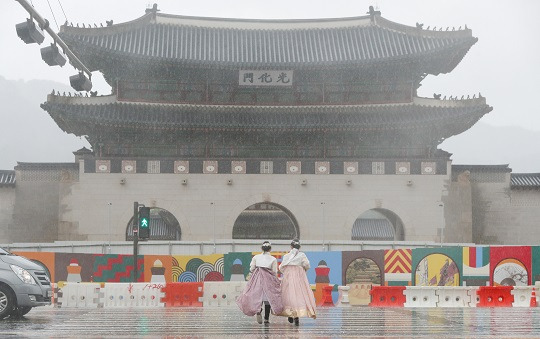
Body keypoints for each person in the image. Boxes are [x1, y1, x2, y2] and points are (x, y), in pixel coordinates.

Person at [236, 241, 283, 324]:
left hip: (257, 278)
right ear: (270, 249)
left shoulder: (256, 257)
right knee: (267, 298)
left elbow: (252, 268)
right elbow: (274, 271)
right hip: (268, 280)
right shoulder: (273, 259)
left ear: (261, 248)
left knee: (258, 296)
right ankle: (266, 318)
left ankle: (258, 310)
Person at [279, 238, 316, 326]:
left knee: (288, 295)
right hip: (299, 277)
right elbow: (307, 264)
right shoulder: (302, 255)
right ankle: (297, 316)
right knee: (298, 295)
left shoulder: (286, 256)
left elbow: (281, 267)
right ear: (299, 247)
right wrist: (302, 269)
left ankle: (290, 314)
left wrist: (286, 271)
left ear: (291, 246)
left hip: (288, 276)